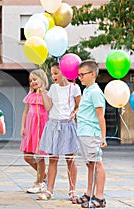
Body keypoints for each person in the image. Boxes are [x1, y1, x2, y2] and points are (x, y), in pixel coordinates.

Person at [37, 62, 81, 201]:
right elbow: (48, 106)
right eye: (52, 74)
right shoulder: (53, 89)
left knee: (70, 159)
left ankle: (72, 190)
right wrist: (43, 92)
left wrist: (74, 113)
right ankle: (49, 191)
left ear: (64, 72)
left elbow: (79, 106)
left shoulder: (74, 88)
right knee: (53, 159)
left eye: (56, 73)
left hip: (68, 125)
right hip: (54, 125)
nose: (53, 76)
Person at [75, 60, 107, 208]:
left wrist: (103, 137)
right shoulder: (87, 90)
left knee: (97, 164)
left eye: (82, 74)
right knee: (90, 165)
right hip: (83, 133)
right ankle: (89, 193)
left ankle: (99, 197)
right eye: (79, 75)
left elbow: (101, 116)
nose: (79, 77)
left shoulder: (95, 92)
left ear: (92, 74)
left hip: (92, 133)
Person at [20, 69, 51, 194]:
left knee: (40, 157)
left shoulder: (47, 94)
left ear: (42, 80)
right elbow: (25, 112)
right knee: (27, 156)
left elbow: (48, 107)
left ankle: (40, 182)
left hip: (41, 127)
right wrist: (23, 127)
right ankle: (44, 176)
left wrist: (42, 91)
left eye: (35, 79)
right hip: (30, 127)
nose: (32, 82)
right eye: (30, 80)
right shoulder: (30, 95)